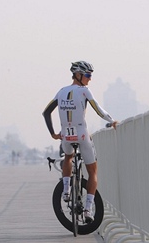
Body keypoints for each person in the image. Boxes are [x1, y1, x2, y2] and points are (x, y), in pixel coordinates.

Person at [42, 60, 118, 224]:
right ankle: (88, 209)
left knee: (68, 158)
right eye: (88, 75)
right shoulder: (84, 91)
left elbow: (46, 112)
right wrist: (112, 121)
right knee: (92, 171)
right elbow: (98, 109)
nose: (90, 79)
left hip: (65, 136)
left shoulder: (61, 91)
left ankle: (66, 190)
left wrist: (53, 134)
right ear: (78, 75)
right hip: (82, 135)